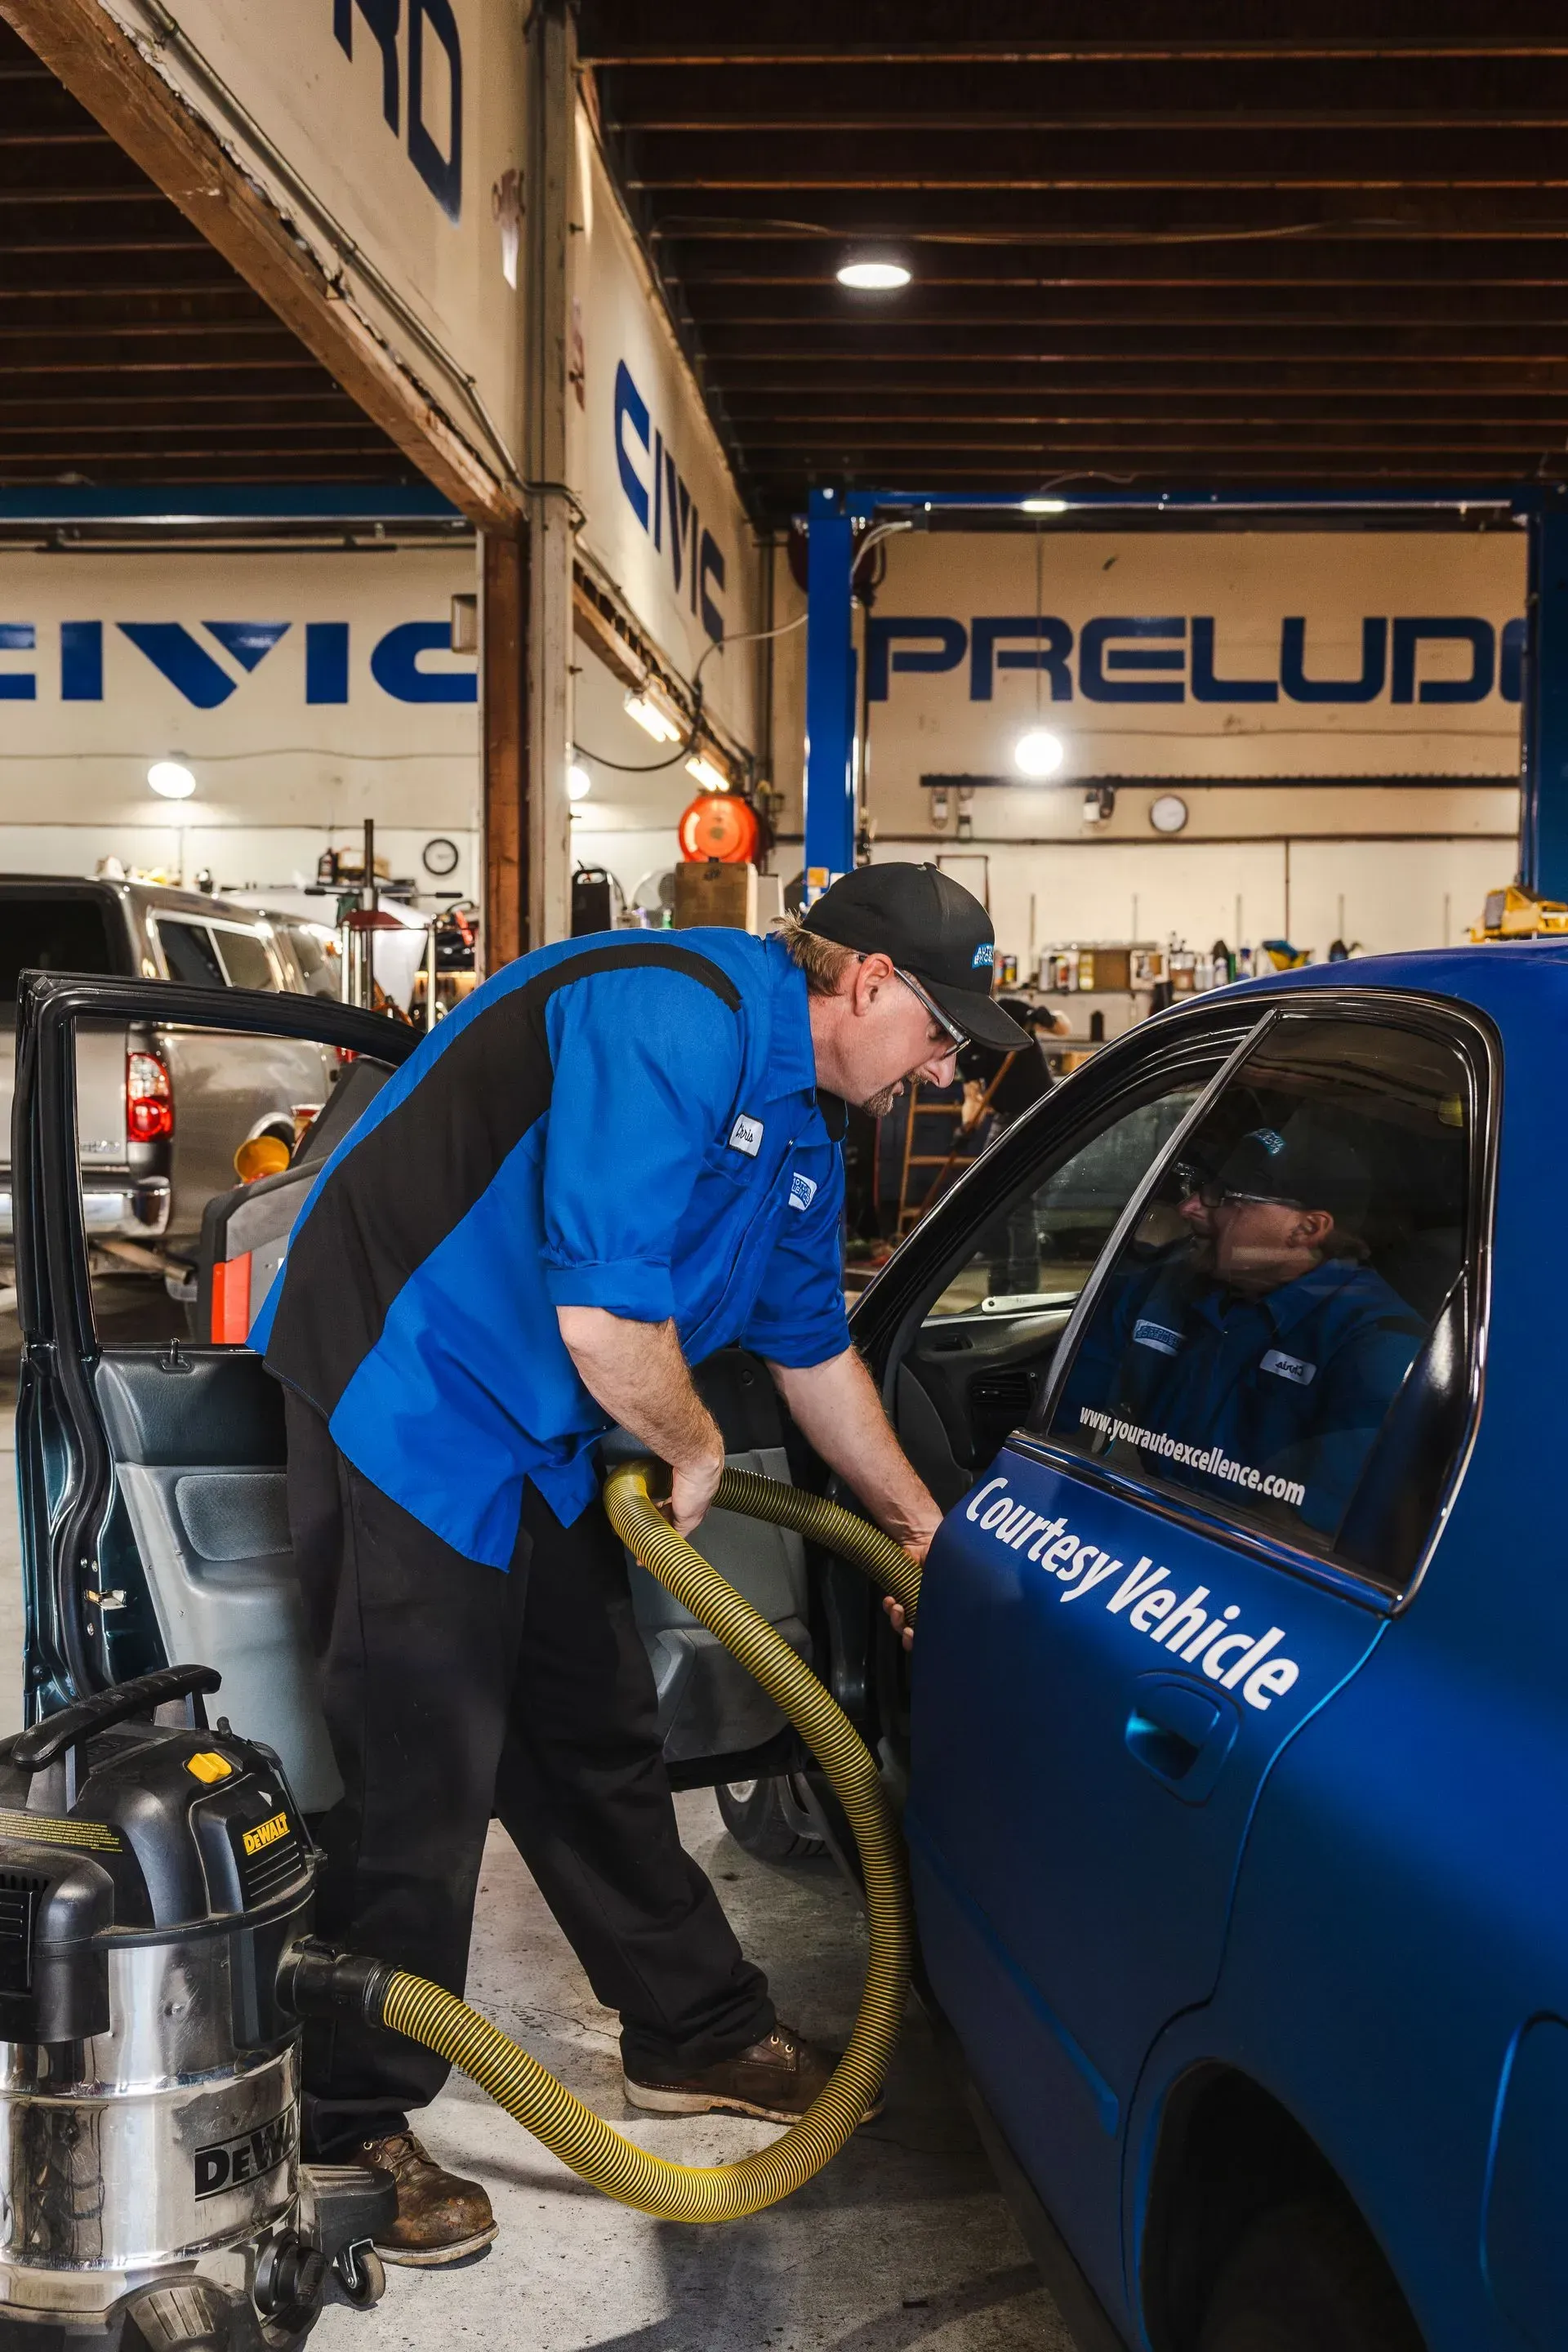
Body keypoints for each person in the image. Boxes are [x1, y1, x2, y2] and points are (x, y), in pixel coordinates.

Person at [255, 862, 1030, 2265]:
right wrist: (692, 1449)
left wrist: (922, 1528)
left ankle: (696, 2032)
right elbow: (610, 1323)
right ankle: (344, 2123)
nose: (942, 1065)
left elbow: (810, 1349)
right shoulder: (669, 1014)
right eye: (940, 1031)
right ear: (867, 984)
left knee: (593, 1728)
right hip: (411, 1386)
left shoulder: (801, 1128)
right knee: (421, 1768)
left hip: (545, 1426)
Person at [1060, 1116, 1426, 1536]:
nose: (1189, 1207)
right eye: (1201, 1187)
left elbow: (1313, 1537)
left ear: (1306, 1229)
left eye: (1226, 1197)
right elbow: (1067, 1430)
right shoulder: (1160, 1287)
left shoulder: (1379, 1345)